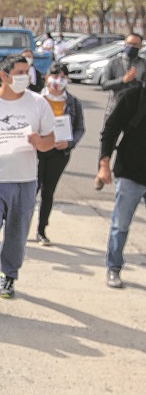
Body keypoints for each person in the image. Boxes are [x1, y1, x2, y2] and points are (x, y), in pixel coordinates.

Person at [0, 54, 55, 317]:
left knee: (16, 237)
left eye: (27, 71)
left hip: (25, 182)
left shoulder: (38, 103)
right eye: (20, 72)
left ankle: (9, 274)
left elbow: (50, 139)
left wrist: (41, 143)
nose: (26, 76)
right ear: (4, 76)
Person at [95, 79, 146, 289]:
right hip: (130, 171)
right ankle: (114, 267)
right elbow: (110, 129)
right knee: (120, 224)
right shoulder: (133, 96)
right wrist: (104, 163)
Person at [35, 62, 85, 246]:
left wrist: (69, 143)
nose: (58, 80)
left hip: (59, 153)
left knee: (48, 192)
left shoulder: (73, 102)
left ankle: (41, 230)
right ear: (47, 77)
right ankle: (20, 228)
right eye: (55, 76)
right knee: (31, 190)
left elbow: (80, 128)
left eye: (62, 77)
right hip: (37, 152)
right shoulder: (36, 99)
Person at [101, 33, 146, 118]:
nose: (131, 47)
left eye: (135, 44)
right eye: (129, 44)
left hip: (136, 113)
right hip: (114, 109)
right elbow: (104, 84)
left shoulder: (143, 64)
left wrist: (134, 81)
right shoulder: (114, 63)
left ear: (141, 47)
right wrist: (123, 80)